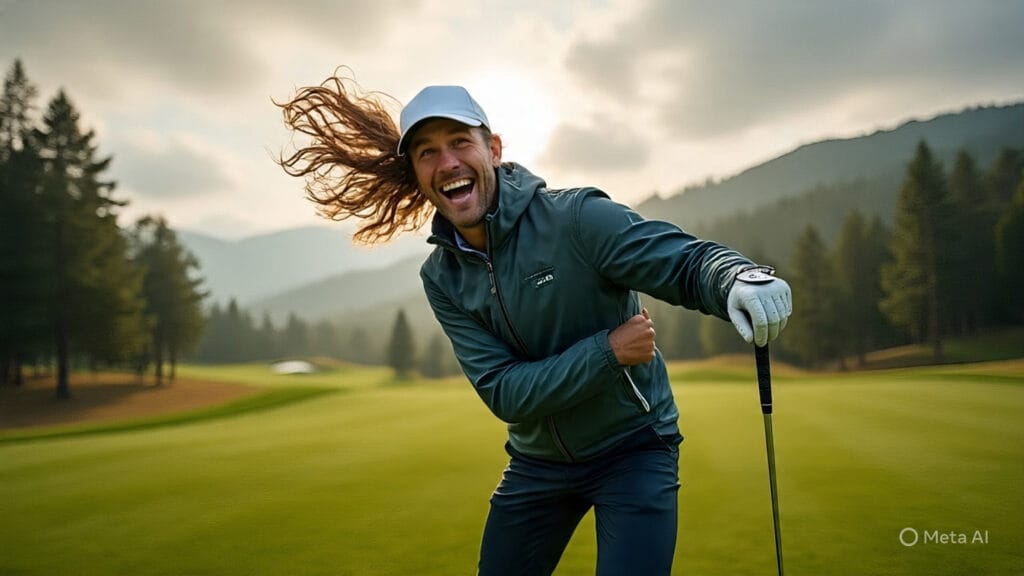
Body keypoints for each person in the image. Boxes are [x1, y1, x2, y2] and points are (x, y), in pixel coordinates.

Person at [277, 75, 792, 576]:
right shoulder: (441, 277)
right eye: (427, 152)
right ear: (415, 173)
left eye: (460, 141)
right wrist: (608, 351)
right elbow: (506, 392)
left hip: (635, 449)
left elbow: (680, 261)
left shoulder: (576, 218)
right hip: (537, 465)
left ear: (494, 149)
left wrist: (736, 278)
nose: (448, 161)